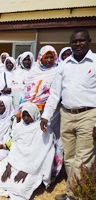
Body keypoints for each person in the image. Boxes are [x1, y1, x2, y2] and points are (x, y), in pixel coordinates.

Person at [41, 29, 96, 200]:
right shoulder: (64, 65)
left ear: (89, 40)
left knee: (84, 158)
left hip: (88, 116)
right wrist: (46, 115)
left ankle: (78, 195)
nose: (78, 44)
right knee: (70, 158)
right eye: (74, 41)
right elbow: (55, 93)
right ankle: (74, 192)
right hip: (67, 114)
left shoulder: (95, 62)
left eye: (81, 41)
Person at [0, 103, 55, 200]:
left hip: (34, 166)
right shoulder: (19, 127)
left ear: (34, 114)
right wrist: (9, 165)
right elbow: (14, 148)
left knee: (21, 188)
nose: (25, 118)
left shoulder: (42, 129)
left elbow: (41, 154)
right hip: (17, 161)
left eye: (28, 115)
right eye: (24, 115)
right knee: (0, 181)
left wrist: (27, 170)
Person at [19, 45, 58, 112]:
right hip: (29, 108)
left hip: (49, 108)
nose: (49, 60)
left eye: (51, 57)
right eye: (46, 57)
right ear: (41, 57)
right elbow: (27, 90)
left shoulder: (57, 71)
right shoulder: (34, 71)